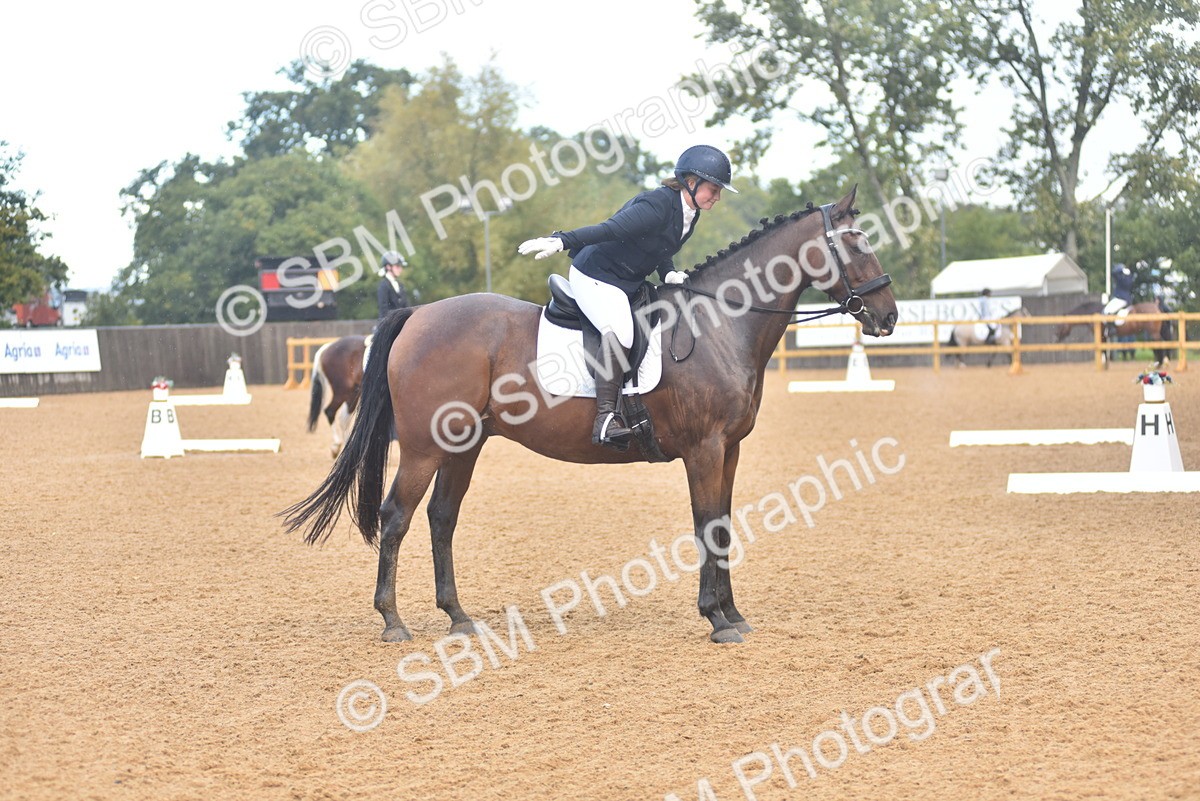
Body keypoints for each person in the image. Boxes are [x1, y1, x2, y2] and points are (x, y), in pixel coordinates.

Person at [517, 144, 737, 449]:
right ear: (690, 182)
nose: (717, 196)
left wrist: (668, 272)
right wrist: (561, 240)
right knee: (620, 330)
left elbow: (660, 246)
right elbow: (610, 230)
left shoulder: (691, 213)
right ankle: (606, 418)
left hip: (626, 280)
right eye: (713, 189)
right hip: (595, 275)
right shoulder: (657, 205)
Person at [377, 250, 410, 321]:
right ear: (388, 267)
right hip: (388, 323)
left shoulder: (400, 285)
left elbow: (406, 307)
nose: (400, 269)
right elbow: (384, 310)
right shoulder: (383, 286)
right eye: (397, 266)